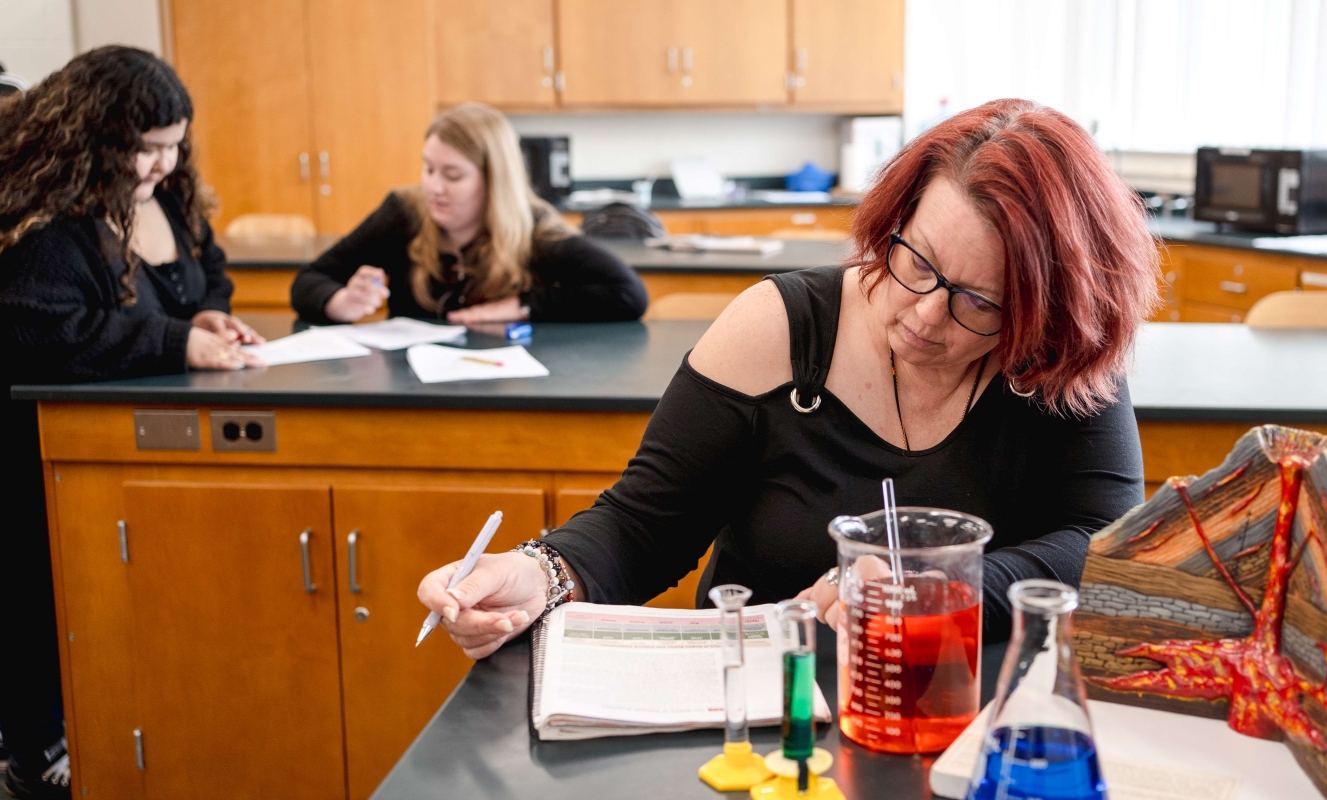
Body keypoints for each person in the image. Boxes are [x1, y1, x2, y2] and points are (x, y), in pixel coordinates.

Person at [417, 99, 1161, 661]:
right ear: (894, 217)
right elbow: (643, 527)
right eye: (918, 261)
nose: (926, 316)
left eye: (979, 301)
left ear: (1042, 310)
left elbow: (1102, 542)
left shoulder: (1064, 351)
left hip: (971, 710)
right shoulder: (779, 328)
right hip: (766, 711)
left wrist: (934, 588)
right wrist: (538, 574)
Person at [0, 46, 264, 799]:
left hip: (135, 436)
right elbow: (46, 329)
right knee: (40, 598)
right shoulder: (50, 223)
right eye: (144, 149)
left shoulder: (169, 193)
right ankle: (36, 750)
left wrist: (208, 311)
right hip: (41, 447)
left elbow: (204, 272)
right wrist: (180, 340)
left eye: (173, 143)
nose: (162, 163)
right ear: (92, 138)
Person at [290, 103, 648, 326]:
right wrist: (341, 302)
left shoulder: (534, 231)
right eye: (428, 169)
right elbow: (309, 279)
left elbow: (628, 294)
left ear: (494, 183)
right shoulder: (403, 212)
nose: (434, 187)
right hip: (409, 392)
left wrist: (520, 305)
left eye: (453, 175)